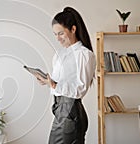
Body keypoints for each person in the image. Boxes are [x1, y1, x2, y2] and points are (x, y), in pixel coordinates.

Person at [35, 7, 96, 144]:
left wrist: (55, 85)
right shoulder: (61, 54)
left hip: (71, 112)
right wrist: (48, 82)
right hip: (60, 110)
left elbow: (80, 89)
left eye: (61, 33)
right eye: (55, 34)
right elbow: (62, 83)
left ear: (73, 29)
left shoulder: (84, 55)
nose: (58, 38)